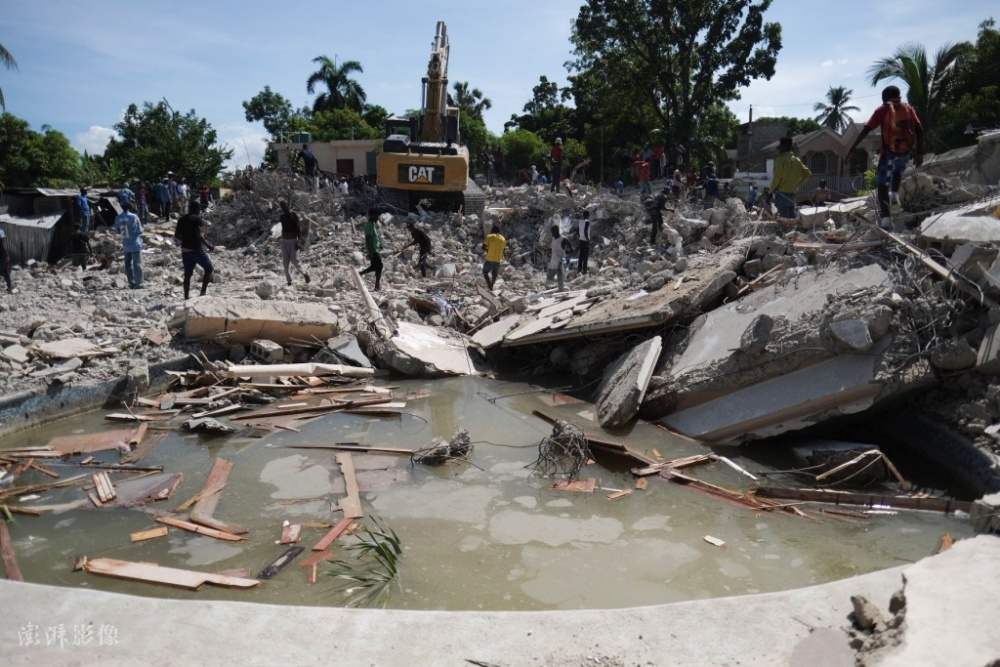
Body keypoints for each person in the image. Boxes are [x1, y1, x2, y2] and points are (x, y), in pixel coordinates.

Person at [843, 85, 924, 231]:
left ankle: (886, 220)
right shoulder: (909, 108)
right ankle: (894, 196)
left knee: (882, 184)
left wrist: (852, 149)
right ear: (898, 96)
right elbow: (919, 129)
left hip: (889, 154)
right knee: (897, 172)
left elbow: (866, 130)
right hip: (905, 152)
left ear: (884, 98)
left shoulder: (882, 110)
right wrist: (920, 153)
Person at [174, 201, 215, 300]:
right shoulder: (197, 219)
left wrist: (185, 239)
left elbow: (176, 235)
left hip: (185, 250)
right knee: (209, 269)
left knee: (187, 275)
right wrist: (208, 245)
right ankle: (203, 292)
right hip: (196, 249)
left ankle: (186, 297)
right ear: (197, 209)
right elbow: (199, 235)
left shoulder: (181, 219)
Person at [768, 136, 812, 219]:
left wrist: (770, 192)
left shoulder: (780, 160)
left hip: (782, 193)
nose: (778, 148)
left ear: (784, 146)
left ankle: (786, 231)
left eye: (780, 145)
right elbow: (808, 173)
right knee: (792, 215)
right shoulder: (797, 160)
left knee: (784, 218)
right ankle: (793, 230)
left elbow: (777, 178)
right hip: (792, 192)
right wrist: (798, 185)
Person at [278, 201, 311, 287]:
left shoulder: (294, 216)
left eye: (285, 206)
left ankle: (305, 274)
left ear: (288, 206)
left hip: (293, 240)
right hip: (284, 241)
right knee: (285, 263)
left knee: (295, 261)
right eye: (282, 207)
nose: (284, 208)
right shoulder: (282, 217)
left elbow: (298, 229)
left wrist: (298, 241)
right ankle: (289, 281)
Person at [114, 202, 144, 289]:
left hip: (126, 244)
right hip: (135, 243)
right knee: (137, 264)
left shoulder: (118, 218)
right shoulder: (134, 217)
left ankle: (132, 283)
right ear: (130, 208)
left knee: (128, 264)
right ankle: (140, 283)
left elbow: (117, 231)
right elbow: (139, 230)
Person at [359, 207, 383, 291]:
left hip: (375, 249)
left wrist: (379, 245)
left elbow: (375, 237)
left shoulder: (373, 224)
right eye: (376, 216)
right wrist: (370, 253)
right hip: (373, 250)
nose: (377, 218)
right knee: (380, 266)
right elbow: (368, 240)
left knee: (373, 267)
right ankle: (377, 286)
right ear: (372, 215)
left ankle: (359, 274)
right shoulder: (369, 225)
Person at [481, 224, 506, 291]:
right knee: (494, 274)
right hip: (498, 260)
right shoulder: (503, 239)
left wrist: (488, 250)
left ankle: (489, 285)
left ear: (492, 230)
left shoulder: (490, 236)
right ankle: (491, 285)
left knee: (485, 272)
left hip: (490, 258)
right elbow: (504, 250)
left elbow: (483, 247)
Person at [546, 225, 569, 292]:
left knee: (560, 275)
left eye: (553, 232)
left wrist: (566, 259)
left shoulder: (563, 239)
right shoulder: (553, 239)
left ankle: (561, 289)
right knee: (550, 277)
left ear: (557, 231)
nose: (552, 233)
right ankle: (558, 287)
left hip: (560, 261)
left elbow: (571, 248)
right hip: (553, 260)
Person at [577, 210, 591, 275]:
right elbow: (586, 232)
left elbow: (577, 231)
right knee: (585, 257)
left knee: (580, 256)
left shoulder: (580, 221)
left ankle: (579, 270)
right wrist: (588, 240)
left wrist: (580, 237)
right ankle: (584, 271)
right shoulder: (587, 222)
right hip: (585, 241)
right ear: (588, 216)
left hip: (580, 240)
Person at [0, 227, 12, 293]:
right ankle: (9, 287)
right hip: (2, 260)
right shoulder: (2, 245)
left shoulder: (1, 245)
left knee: (5, 272)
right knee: (5, 273)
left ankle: (9, 287)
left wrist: (7, 258)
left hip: (2, 260)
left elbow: (6, 255)